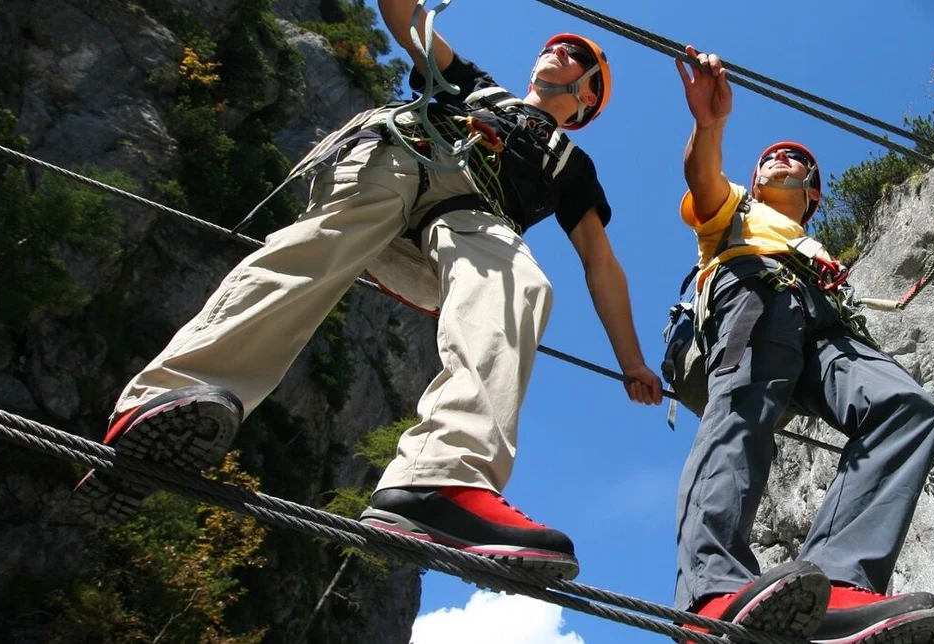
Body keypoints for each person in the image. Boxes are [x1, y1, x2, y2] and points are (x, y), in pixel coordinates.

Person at [68, 0, 661, 582]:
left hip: (470, 215)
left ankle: (441, 478)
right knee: (324, 243)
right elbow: (405, 18)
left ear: (586, 99)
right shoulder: (477, 87)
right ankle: (180, 393)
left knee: (521, 281)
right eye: (554, 44)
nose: (554, 50)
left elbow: (600, 263)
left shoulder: (569, 165)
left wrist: (631, 361)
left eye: (574, 54)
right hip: (409, 154)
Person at [668, 46, 934, 642]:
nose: (781, 161)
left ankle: (840, 576)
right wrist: (709, 124)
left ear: (813, 193)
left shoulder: (817, 247)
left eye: (794, 160)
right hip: (756, 296)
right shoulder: (734, 212)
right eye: (772, 158)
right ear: (753, 179)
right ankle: (710, 588)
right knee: (740, 418)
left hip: (825, 322)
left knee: (909, 411)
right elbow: (701, 177)